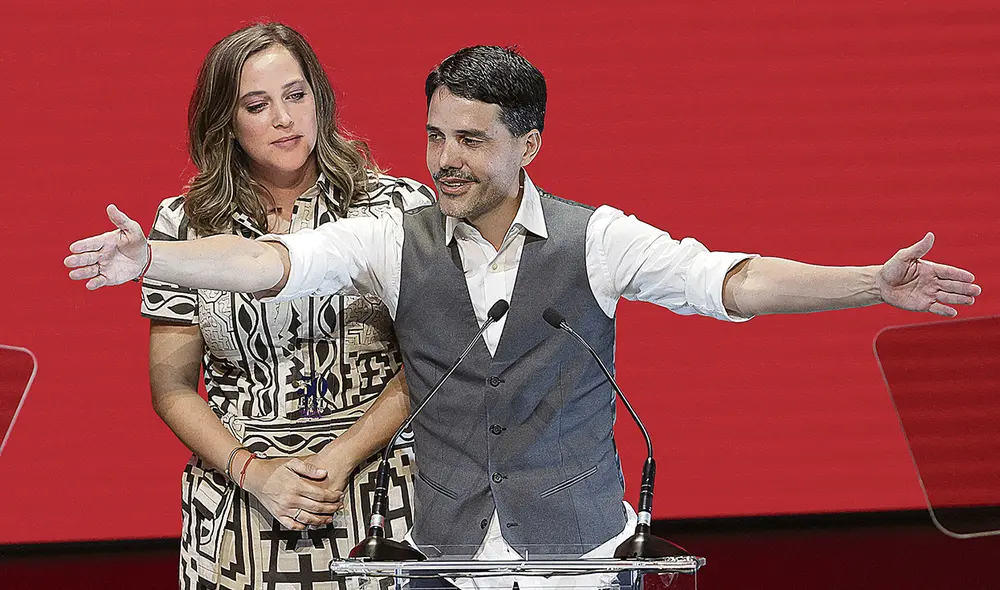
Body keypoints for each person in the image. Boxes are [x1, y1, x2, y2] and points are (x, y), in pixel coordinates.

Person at [67, 45, 980, 586]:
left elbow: (729, 282)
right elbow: (271, 264)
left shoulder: (598, 239)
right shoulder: (392, 235)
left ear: (529, 143)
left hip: (577, 559)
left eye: (471, 140)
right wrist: (154, 258)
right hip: (444, 559)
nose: (445, 159)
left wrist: (868, 283)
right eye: (435, 135)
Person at [130, 23, 431, 589]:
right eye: (257, 105)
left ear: (320, 98)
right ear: (226, 120)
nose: (284, 119)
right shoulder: (186, 225)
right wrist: (256, 473)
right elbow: (171, 388)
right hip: (240, 502)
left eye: (296, 95)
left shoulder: (398, 208)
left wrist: (339, 458)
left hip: (382, 491)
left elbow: (429, 364)